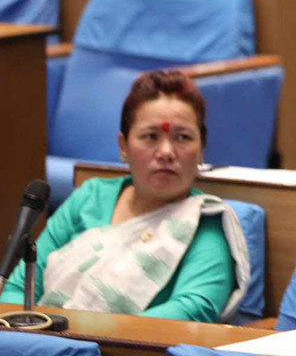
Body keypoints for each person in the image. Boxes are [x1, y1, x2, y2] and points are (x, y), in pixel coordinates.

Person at [0, 70, 249, 323]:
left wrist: (83, 334)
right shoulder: (90, 197)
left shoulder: (204, 224)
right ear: (123, 147)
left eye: (182, 137)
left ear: (201, 149)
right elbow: (19, 288)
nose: (166, 152)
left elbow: (192, 311)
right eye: (151, 136)